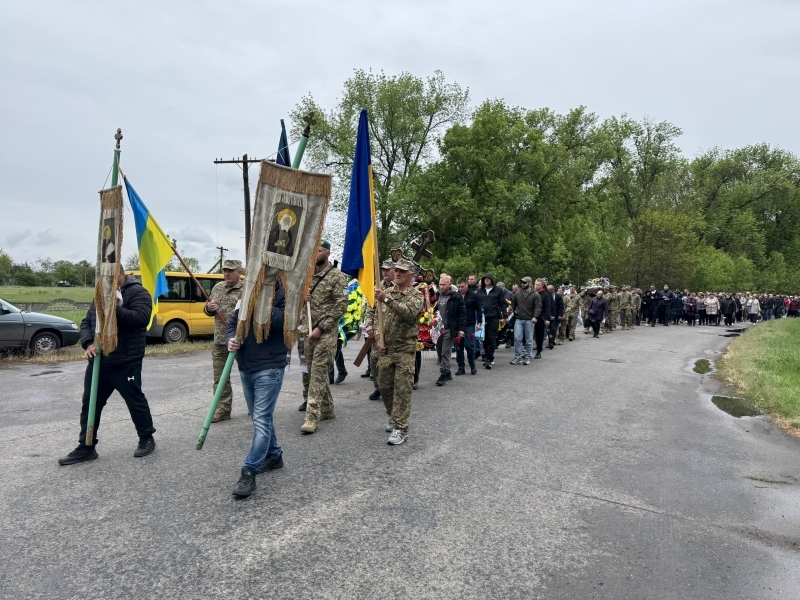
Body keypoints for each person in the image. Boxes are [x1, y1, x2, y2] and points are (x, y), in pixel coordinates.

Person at [58, 271, 156, 465]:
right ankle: (86, 446)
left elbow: (141, 319)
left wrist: (112, 308)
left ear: (119, 273)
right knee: (90, 404)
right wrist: (87, 343)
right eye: (101, 277)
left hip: (126, 361)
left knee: (135, 401)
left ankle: (146, 437)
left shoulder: (138, 293)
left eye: (108, 276)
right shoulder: (99, 293)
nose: (103, 281)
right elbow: (87, 322)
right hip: (99, 361)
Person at [227, 279, 288, 498]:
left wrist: (261, 302)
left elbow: (285, 321)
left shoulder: (285, 292)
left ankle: (249, 471)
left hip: (269, 367)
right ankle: (274, 455)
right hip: (246, 366)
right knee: (258, 416)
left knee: (261, 419)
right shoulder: (246, 293)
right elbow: (233, 324)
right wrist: (230, 340)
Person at [299, 240, 349, 434]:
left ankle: (312, 417)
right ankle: (327, 408)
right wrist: (304, 298)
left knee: (319, 372)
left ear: (327, 253)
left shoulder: (338, 277)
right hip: (307, 331)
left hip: (326, 334)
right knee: (311, 373)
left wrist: (320, 328)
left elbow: (341, 305)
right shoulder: (307, 277)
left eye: (318, 251)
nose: (314, 254)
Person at [374, 259, 424, 445]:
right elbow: (378, 318)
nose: (397, 274)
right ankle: (393, 416)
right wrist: (379, 338)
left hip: (404, 350)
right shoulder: (386, 293)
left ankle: (401, 427)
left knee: (402, 389)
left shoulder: (416, 295)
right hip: (386, 350)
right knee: (385, 387)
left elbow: (409, 313)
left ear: (411, 275)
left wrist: (386, 300)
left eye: (402, 272)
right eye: (397, 271)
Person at [204, 259, 244, 422]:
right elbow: (208, 311)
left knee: (249, 376)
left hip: (241, 341)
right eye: (225, 270)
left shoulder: (247, 288)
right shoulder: (217, 288)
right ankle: (222, 409)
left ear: (239, 272)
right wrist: (208, 308)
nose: (227, 273)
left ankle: (256, 406)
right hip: (221, 341)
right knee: (220, 378)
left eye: (231, 271)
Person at [363, 259, 396, 401]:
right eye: (383, 269)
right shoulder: (377, 287)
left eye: (388, 269)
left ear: (395, 271)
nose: (384, 272)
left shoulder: (399, 287)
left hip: (394, 331)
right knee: (375, 360)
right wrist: (369, 324)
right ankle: (378, 387)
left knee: (391, 362)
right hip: (378, 331)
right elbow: (370, 308)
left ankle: (391, 389)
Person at [435, 274, 465, 386]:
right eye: (440, 284)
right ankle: (447, 372)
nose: (441, 287)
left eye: (444, 284)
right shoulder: (436, 295)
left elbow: (462, 314)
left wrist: (461, 329)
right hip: (438, 328)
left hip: (449, 328)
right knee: (439, 351)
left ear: (449, 284)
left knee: (445, 352)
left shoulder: (456, 296)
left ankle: (443, 374)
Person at [510, 276, 541, 364]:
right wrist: (510, 309)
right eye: (522, 282)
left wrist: (535, 317)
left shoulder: (535, 294)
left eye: (525, 282)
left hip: (529, 319)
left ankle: (528, 356)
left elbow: (538, 307)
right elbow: (513, 304)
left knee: (528, 339)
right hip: (519, 319)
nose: (522, 284)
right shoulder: (517, 294)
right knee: (517, 338)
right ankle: (517, 357)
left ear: (530, 283)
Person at [477, 272, 505, 369]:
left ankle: (490, 358)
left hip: (494, 316)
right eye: (485, 279)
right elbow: (477, 304)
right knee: (484, 338)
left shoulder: (498, 290)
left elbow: (503, 304)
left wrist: (503, 316)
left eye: (488, 278)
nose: (487, 280)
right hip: (483, 317)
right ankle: (486, 355)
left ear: (492, 280)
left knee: (492, 338)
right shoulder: (480, 291)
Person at [455, 277, 481, 375]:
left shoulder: (473, 296)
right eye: (459, 287)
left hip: (470, 324)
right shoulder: (456, 296)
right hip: (458, 325)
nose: (460, 288)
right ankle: (461, 367)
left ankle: (472, 364)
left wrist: (479, 322)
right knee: (459, 347)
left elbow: (478, 309)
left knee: (469, 346)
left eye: (462, 286)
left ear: (467, 285)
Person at [533, 279, 550, 359]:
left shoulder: (545, 295)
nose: (536, 286)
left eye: (538, 285)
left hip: (540, 317)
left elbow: (548, 307)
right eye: (535, 284)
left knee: (539, 335)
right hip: (530, 316)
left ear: (542, 286)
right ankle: (527, 351)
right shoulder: (531, 293)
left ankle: (539, 351)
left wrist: (547, 319)